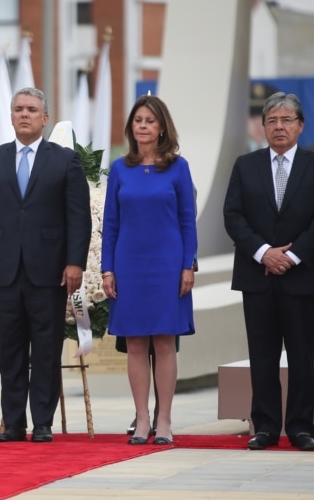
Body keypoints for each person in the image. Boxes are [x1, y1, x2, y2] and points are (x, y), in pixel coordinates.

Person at [0, 87, 91, 443]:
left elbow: (78, 218)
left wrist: (75, 263)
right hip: (2, 270)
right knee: (11, 347)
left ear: (45, 118)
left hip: (49, 271)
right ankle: (13, 421)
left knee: (46, 346)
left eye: (32, 109)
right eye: (18, 109)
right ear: (11, 115)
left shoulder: (64, 160)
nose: (24, 114)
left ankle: (43, 421)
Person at [223, 91, 314, 452]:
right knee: (262, 355)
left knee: (302, 355)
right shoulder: (245, 165)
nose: (278, 127)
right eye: (272, 120)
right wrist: (263, 252)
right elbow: (233, 215)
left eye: (286, 120)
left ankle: (301, 427)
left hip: (300, 276)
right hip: (257, 276)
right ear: (263, 127)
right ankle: (266, 427)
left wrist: (294, 256)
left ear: (300, 126)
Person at [101, 95, 197, 446]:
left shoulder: (178, 167)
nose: (142, 126)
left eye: (149, 121)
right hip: (129, 265)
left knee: (165, 342)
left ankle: (165, 419)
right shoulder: (119, 168)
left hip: (168, 266)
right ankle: (142, 419)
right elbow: (110, 223)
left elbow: (188, 220)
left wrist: (188, 265)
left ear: (161, 129)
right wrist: (107, 269)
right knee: (136, 343)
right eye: (137, 120)